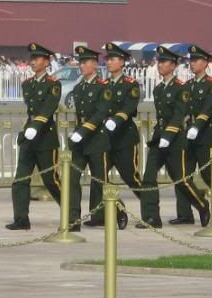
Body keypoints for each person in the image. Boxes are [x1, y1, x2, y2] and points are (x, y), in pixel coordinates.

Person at [143, 46, 204, 227]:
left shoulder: (181, 89)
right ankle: (152, 217)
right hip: (159, 139)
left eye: (163, 62)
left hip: (175, 140)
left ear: (173, 65)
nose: (159, 65)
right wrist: (160, 136)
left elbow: (179, 115)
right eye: (158, 61)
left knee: (181, 180)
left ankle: (202, 205)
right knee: (148, 177)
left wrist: (168, 136)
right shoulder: (159, 89)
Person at [7, 43, 63, 230]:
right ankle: (21, 218)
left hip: (45, 137)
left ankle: (72, 214)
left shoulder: (53, 84)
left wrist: (36, 125)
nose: (33, 62)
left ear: (46, 62)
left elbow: (48, 109)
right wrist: (29, 129)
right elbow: (32, 110)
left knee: (51, 181)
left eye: (37, 59)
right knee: (20, 179)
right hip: (29, 137)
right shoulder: (27, 85)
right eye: (31, 59)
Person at [99, 42, 154, 228]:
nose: (109, 62)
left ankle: (150, 213)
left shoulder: (130, 84)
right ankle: (117, 209)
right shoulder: (103, 84)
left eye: (113, 59)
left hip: (124, 138)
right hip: (105, 139)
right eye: (107, 59)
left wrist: (116, 118)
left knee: (131, 177)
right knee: (101, 178)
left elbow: (130, 106)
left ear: (122, 62)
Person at [67, 46, 112, 231]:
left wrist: (82, 131)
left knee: (99, 181)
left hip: (97, 139)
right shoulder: (78, 88)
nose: (81, 66)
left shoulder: (103, 87)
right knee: (72, 178)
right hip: (81, 141)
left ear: (94, 64)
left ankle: (101, 215)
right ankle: (73, 218)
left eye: (85, 62)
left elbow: (100, 114)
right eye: (81, 62)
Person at [180, 44, 212, 226]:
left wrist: (197, 125)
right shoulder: (188, 86)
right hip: (189, 136)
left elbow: (209, 108)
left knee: (209, 176)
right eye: (191, 60)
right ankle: (192, 210)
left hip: (205, 136)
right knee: (183, 176)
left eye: (195, 60)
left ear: (205, 63)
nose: (192, 64)